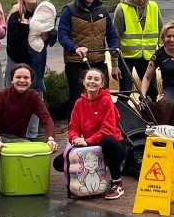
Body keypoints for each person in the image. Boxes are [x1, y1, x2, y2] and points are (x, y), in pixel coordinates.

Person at [53, 68, 127, 200]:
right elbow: (73, 127)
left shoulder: (106, 100)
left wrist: (87, 141)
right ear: (84, 81)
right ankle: (86, 177)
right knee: (59, 163)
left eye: (96, 79)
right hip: (91, 146)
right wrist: (75, 138)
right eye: (89, 78)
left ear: (102, 84)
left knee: (108, 141)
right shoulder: (79, 102)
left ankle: (117, 182)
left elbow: (108, 129)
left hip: (112, 145)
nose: (92, 82)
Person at [58, 0, 119, 118]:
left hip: (98, 63)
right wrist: (75, 48)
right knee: (78, 100)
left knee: (103, 98)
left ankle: (101, 131)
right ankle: (73, 133)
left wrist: (114, 47)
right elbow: (62, 36)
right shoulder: (69, 10)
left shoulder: (102, 11)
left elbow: (111, 35)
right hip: (77, 63)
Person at [0, 63, 57, 152]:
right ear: (12, 80)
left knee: (32, 150)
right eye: (18, 77)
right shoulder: (0, 95)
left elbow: (46, 119)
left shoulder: (34, 96)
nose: (22, 80)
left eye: (26, 78)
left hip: (18, 139)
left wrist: (51, 139)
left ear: (31, 81)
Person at [111, 0, 163, 98]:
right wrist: (114, 64)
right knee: (125, 91)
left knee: (152, 92)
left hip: (148, 57)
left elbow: (162, 32)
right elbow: (115, 37)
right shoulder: (122, 8)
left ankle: (149, 116)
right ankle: (123, 117)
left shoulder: (154, 7)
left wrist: (163, 57)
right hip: (126, 57)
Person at [5, 0, 57, 93]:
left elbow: (49, 39)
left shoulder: (44, 13)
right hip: (16, 60)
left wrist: (47, 37)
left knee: (36, 96)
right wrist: (24, 28)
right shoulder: (16, 15)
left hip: (35, 62)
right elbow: (12, 40)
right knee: (12, 94)